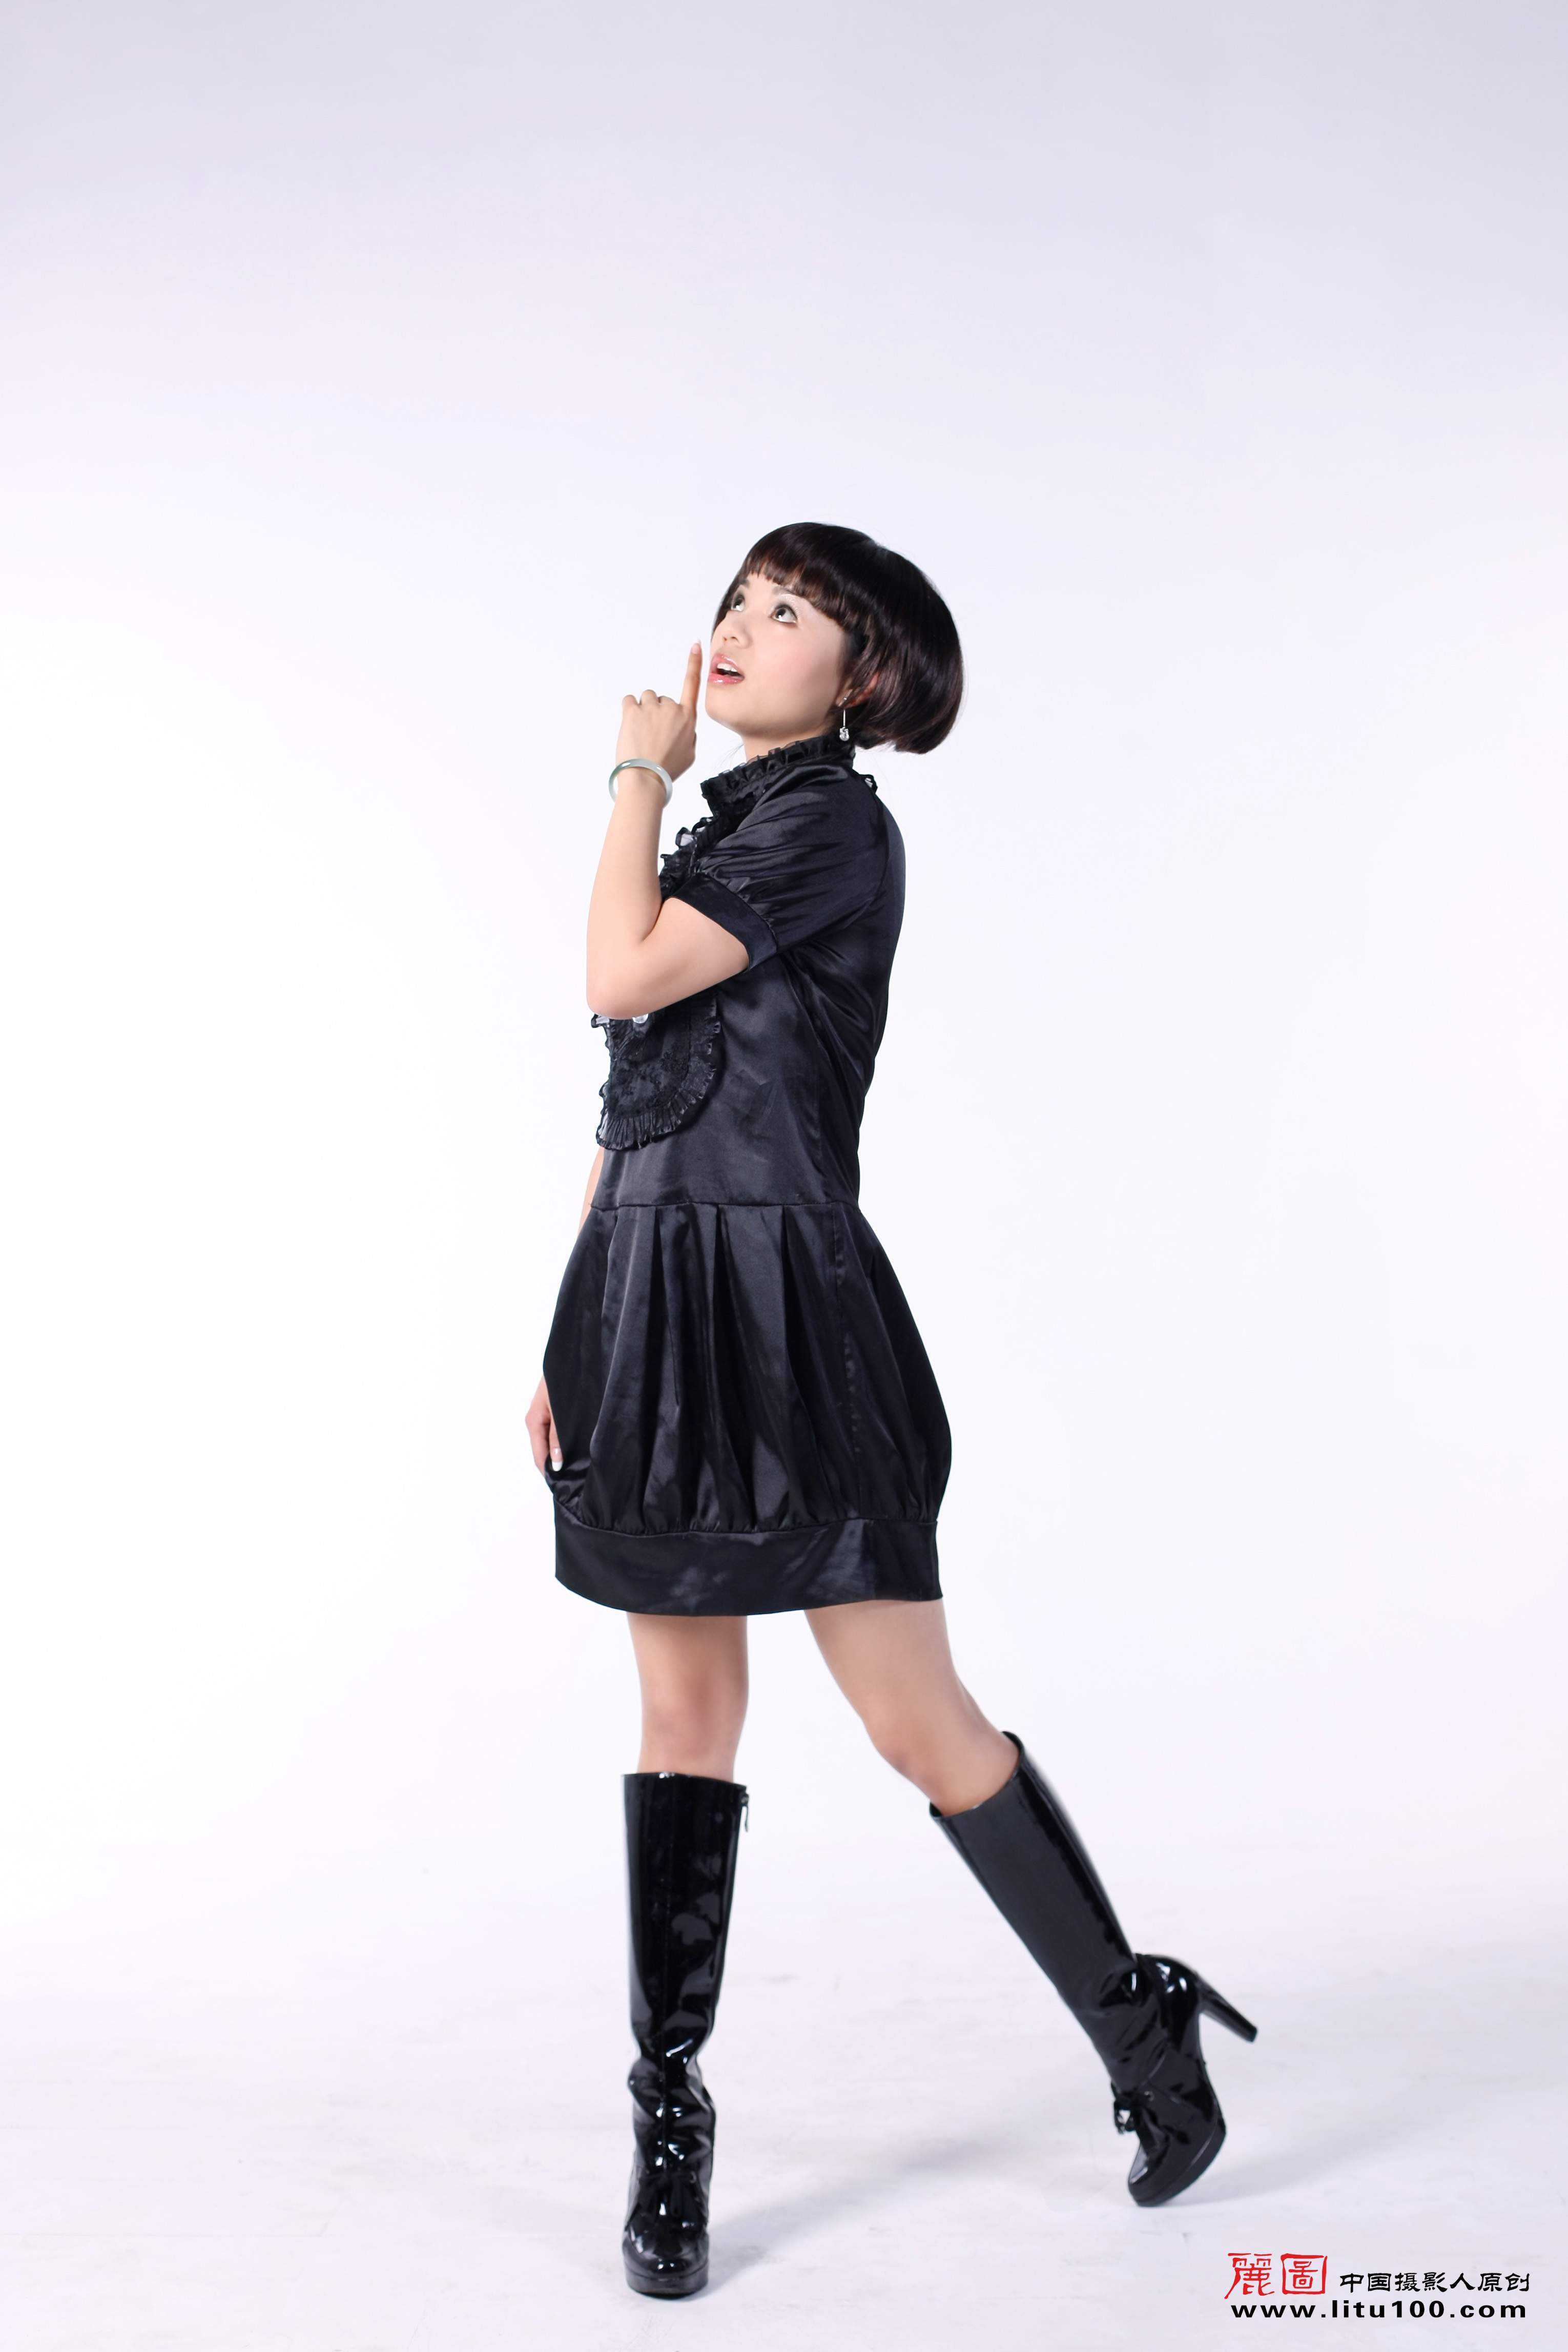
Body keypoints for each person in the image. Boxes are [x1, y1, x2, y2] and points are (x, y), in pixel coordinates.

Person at [527, 522, 1257, 2299]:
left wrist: (633, 770)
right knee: (680, 1711)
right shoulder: (722, 836)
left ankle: (1138, 2024)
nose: (736, 627)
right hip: (648, 1306)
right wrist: (568, 1322)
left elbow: (616, 974)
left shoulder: (828, 828)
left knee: (913, 1721)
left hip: (791, 1317)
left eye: (787, 613)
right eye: (736, 597)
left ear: (857, 677)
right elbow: (637, 1093)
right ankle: (670, 2121)